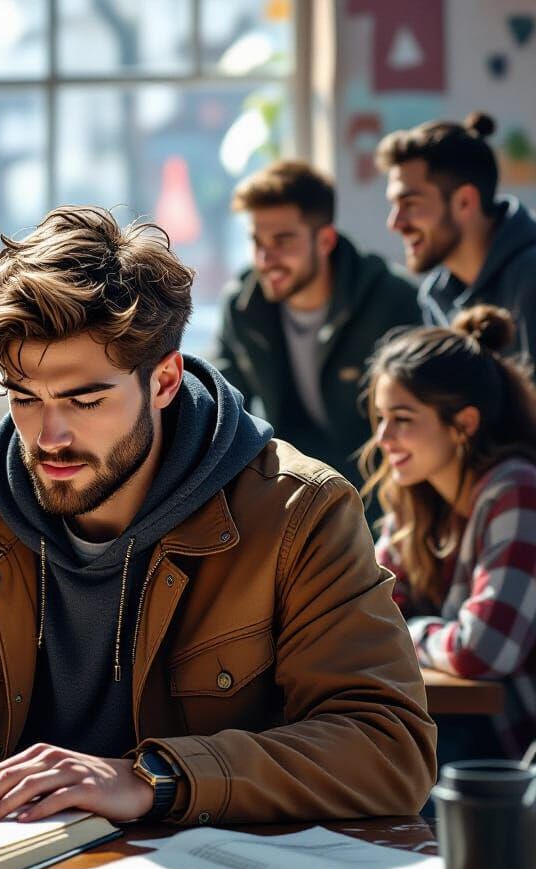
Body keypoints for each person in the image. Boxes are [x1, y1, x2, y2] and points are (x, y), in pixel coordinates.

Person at [0, 205, 436, 826]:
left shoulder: (300, 513)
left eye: (85, 400)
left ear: (164, 381)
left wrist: (155, 778)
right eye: (25, 398)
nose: (48, 437)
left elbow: (389, 748)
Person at [362, 305, 536, 761]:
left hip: (513, 755)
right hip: (455, 733)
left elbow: (485, 649)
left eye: (402, 419)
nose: (383, 438)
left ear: (464, 424)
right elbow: (362, 614)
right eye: (380, 418)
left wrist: (410, 632)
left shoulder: (517, 490)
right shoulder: (417, 498)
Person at [213, 160, 420, 484]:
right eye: (257, 242)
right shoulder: (242, 306)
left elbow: (423, 422)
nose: (266, 260)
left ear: (325, 241)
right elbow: (220, 405)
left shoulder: (391, 299)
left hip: (384, 487)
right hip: (291, 490)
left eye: (282, 241)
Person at [378, 112, 536, 359]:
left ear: (464, 201)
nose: (394, 223)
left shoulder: (530, 276)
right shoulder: (436, 296)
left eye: (410, 204)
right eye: (394, 206)